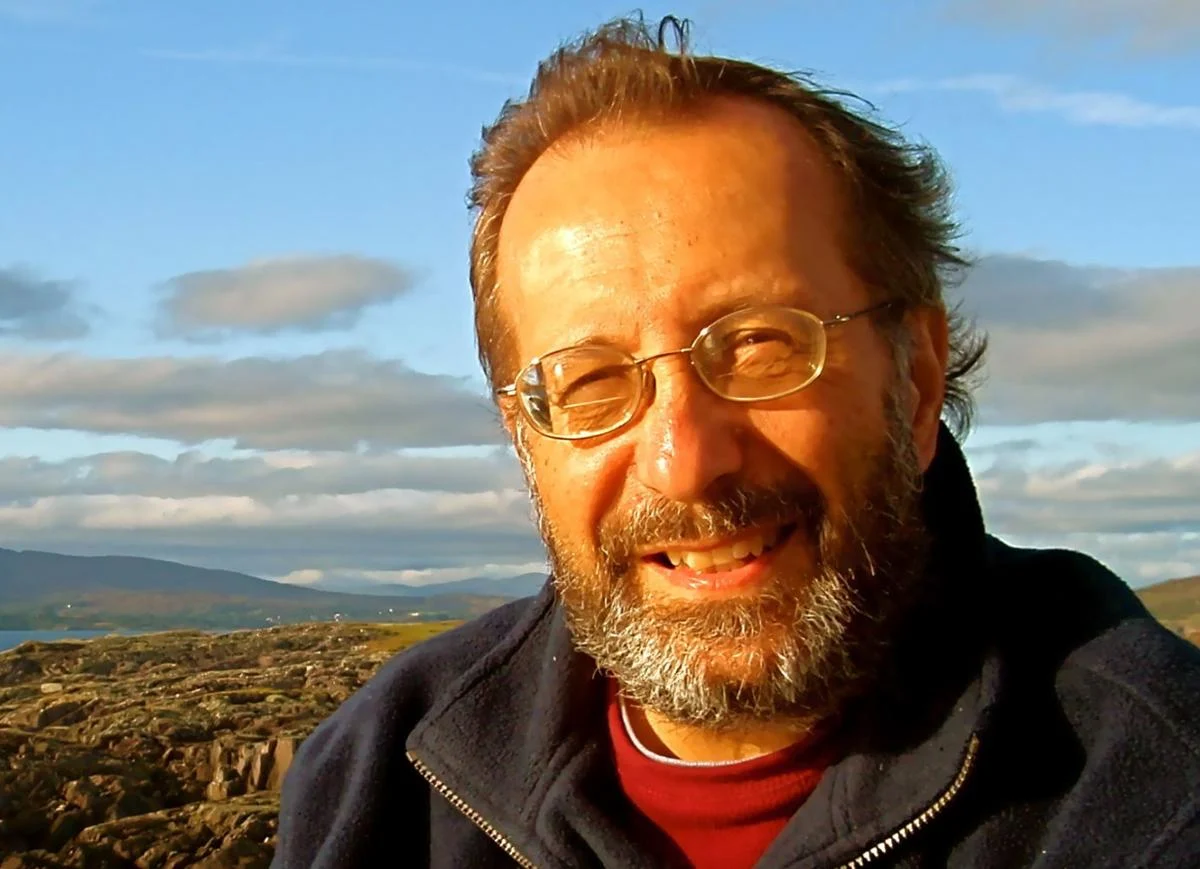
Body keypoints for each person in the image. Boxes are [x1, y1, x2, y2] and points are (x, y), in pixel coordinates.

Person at [271, 15, 1200, 869]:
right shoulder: (379, 777)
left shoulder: (1155, 790)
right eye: (592, 382)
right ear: (526, 439)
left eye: (759, 347)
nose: (684, 459)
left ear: (916, 377)